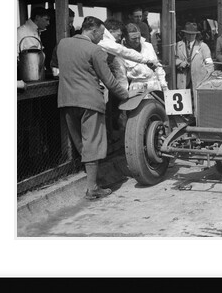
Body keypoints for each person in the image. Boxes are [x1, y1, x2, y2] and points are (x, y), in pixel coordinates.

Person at [56, 16, 130, 200]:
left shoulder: (63, 44)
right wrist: (126, 95)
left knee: (81, 143)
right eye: (101, 33)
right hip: (90, 102)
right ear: (93, 30)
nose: (102, 38)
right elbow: (110, 81)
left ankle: (92, 180)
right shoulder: (95, 50)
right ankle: (92, 188)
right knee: (93, 143)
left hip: (66, 100)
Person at [119, 23, 168, 92]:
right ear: (126, 38)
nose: (137, 41)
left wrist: (164, 85)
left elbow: (158, 67)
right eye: (133, 39)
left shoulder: (148, 46)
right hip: (137, 90)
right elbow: (122, 78)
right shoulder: (122, 53)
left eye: (139, 37)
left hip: (155, 86)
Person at [175, 22, 214, 93]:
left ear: (196, 34)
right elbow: (173, 59)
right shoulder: (178, 46)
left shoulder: (203, 46)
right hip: (183, 82)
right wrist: (180, 63)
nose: (190, 36)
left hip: (199, 82)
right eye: (188, 34)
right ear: (184, 34)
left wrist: (205, 80)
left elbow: (210, 65)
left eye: (192, 34)